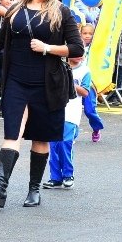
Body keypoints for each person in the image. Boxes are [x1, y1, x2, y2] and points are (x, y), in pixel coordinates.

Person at [0, 0, 84, 208]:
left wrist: (48, 48)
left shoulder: (62, 12)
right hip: (16, 82)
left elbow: (77, 49)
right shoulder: (15, 11)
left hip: (48, 85)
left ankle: (34, 189)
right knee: (12, 134)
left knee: (40, 138)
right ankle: (0, 187)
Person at [42, 55, 90, 189]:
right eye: (76, 52)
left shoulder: (85, 71)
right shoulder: (58, 67)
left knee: (65, 143)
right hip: (56, 110)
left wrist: (69, 81)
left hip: (71, 114)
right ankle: (55, 177)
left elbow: (85, 92)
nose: (79, 56)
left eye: (82, 53)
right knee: (54, 145)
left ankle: (68, 175)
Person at [79, 23, 104, 142]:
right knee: (72, 109)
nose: (87, 36)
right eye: (85, 33)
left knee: (89, 110)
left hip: (89, 83)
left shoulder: (96, 50)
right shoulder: (76, 47)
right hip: (76, 81)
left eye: (90, 33)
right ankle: (71, 133)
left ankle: (96, 127)